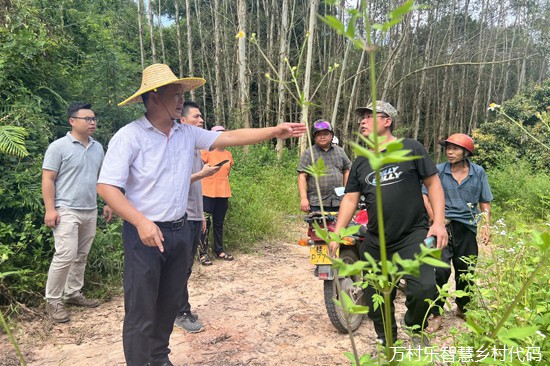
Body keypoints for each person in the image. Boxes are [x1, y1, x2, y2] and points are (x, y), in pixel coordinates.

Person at [96, 63, 305, 366]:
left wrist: (274, 131)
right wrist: (140, 221)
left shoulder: (188, 134)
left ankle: (159, 357)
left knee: (168, 304)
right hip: (144, 234)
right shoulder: (129, 137)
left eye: (182, 94)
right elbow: (107, 187)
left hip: (181, 231)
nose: (181, 100)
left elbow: (231, 137)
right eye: (175, 94)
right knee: (141, 309)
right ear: (153, 97)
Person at [328, 101, 448, 347]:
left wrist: (439, 222)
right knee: (376, 297)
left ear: (387, 120)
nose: (362, 121)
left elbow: (433, 184)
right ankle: (387, 341)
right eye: (360, 117)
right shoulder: (361, 161)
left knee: (424, 288)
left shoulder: (410, 147)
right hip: (375, 241)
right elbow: (351, 198)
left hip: (412, 236)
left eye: (369, 116)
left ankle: (415, 328)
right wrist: (337, 232)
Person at [42, 102, 112, 323]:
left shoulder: (98, 147)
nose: (92, 122)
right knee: (65, 254)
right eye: (87, 119)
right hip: (66, 209)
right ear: (72, 121)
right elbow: (48, 179)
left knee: (81, 255)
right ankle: (53, 300)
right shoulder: (58, 147)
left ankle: (73, 293)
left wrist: (108, 202)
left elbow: (102, 179)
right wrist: (50, 209)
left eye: (94, 118)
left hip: (89, 208)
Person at [425, 133, 493, 333]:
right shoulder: (437, 171)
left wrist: (486, 226)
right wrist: (434, 219)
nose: (450, 152)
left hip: (467, 228)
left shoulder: (478, 172)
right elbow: (424, 193)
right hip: (442, 227)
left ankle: (463, 307)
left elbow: (485, 200)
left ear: (466, 152)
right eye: (448, 148)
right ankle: (435, 314)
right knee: (440, 270)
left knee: (466, 270)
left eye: (455, 149)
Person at [174, 101, 220, 333]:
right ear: (183, 121)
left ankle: (177, 307)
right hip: (179, 216)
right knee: (181, 266)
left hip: (193, 214)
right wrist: (201, 174)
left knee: (187, 266)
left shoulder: (195, 150)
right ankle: (180, 311)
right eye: (196, 117)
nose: (201, 121)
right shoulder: (178, 149)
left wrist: (201, 215)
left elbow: (196, 188)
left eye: (202, 117)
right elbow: (173, 183)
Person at [297, 120, 352, 212]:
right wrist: (303, 198)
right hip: (316, 202)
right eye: (318, 134)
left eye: (325, 134)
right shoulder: (309, 153)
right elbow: (302, 175)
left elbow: (347, 170)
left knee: (340, 226)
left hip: (339, 200)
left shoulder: (340, 151)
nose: (322, 137)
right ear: (314, 137)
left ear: (331, 136)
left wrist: (347, 193)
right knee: (317, 226)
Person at [198, 125, 234, 263]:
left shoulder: (228, 154)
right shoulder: (205, 152)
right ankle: (203, 253)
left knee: (219, 222)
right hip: (207, 191)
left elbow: (227, 173)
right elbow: (200, 171)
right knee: (205, 222)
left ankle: (219, 250)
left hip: (223, 191)